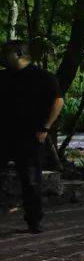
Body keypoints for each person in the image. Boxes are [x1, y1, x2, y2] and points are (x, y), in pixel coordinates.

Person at [0, 40, 62, 233]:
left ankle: (34, 221)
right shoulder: (3, 77)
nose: (2, 57)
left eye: (5, 53)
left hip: (30, 135)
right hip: (3, 134)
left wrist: (46, 127)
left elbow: (58, 102)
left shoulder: (42, 77)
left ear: (18, 53)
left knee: (31, 180)